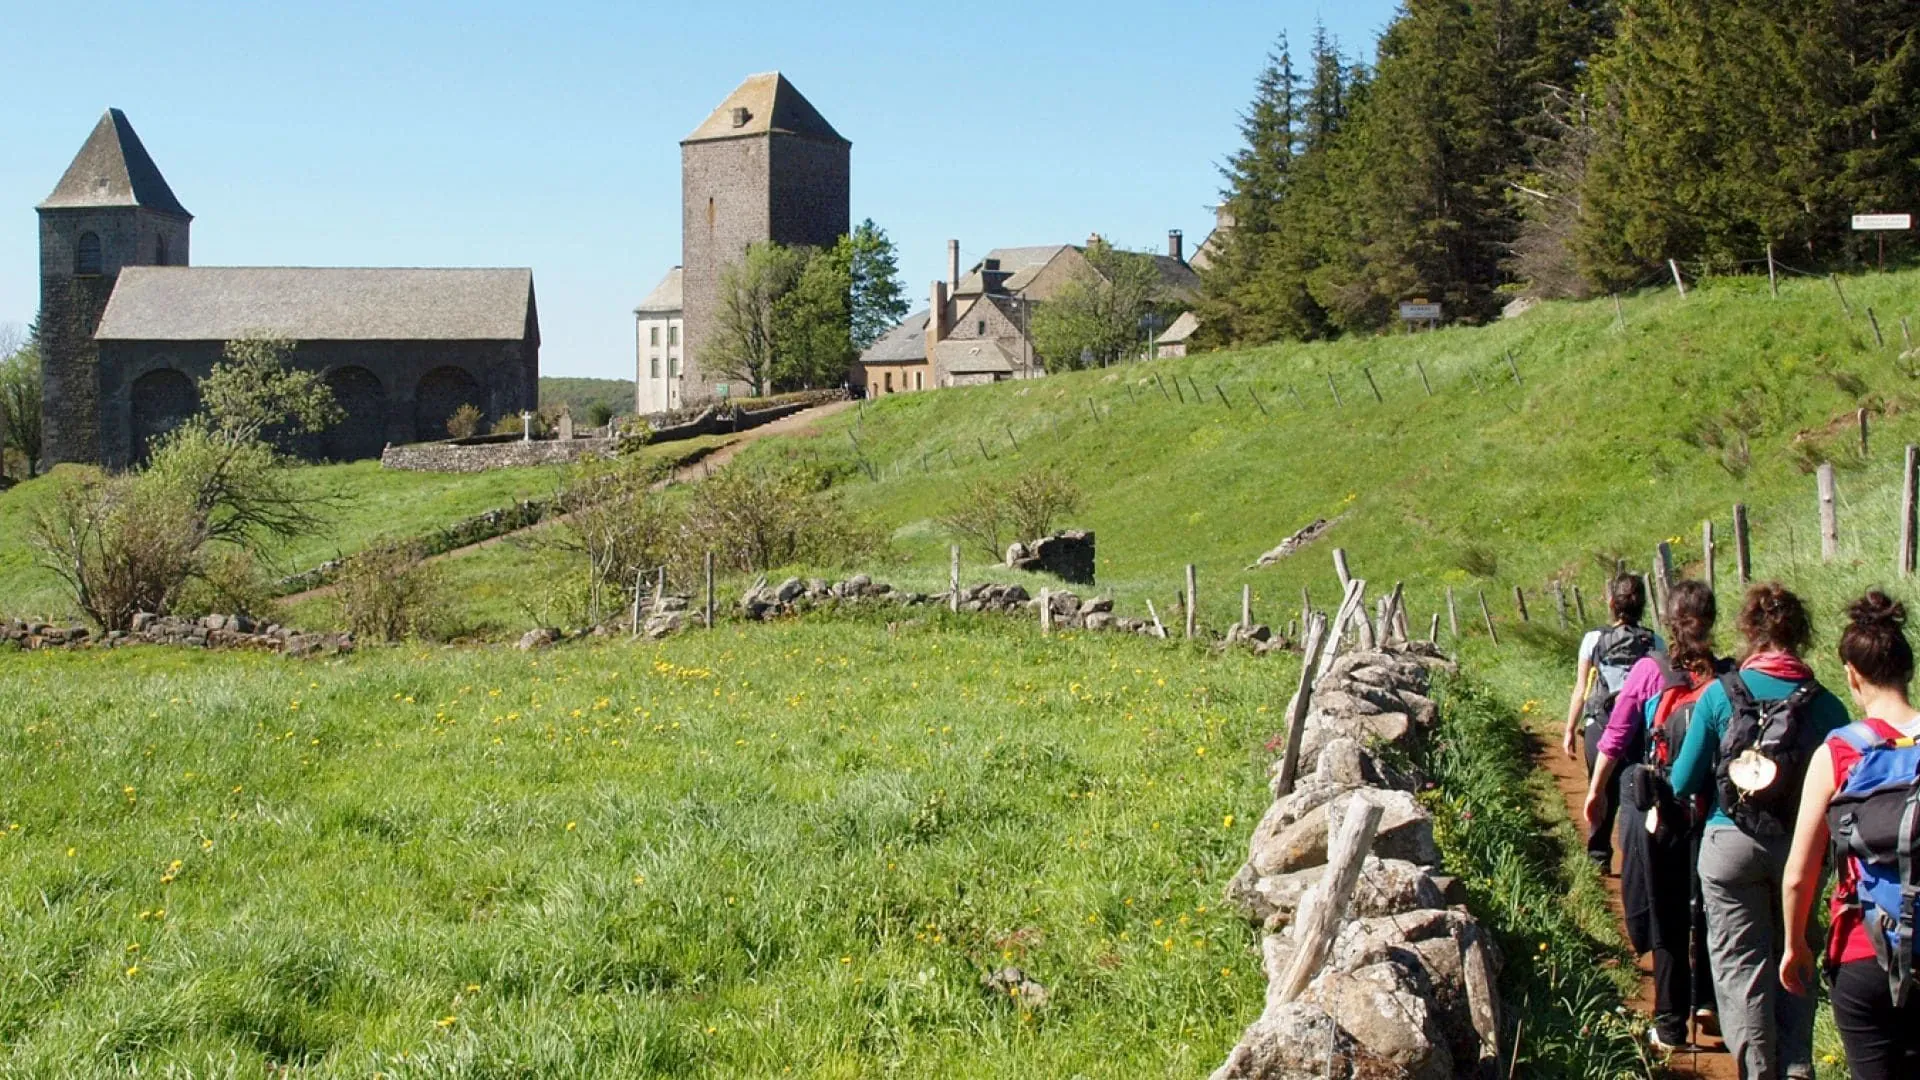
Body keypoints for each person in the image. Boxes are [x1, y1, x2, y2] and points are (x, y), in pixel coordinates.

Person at [1671, 583, 1849, 1080]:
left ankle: (1758, 1072)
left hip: (1728, 846)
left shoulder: (1720, 695)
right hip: (1800, 851)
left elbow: (1683, 780)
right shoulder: (1826, 704)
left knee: (1740, 968)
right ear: (1801, 634)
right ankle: (1798, 1068)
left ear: (1749, 630)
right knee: (1794, 953)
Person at [1781, 592, 1920, 1079]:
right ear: (1909, 669)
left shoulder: (1837, 754)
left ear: (1851, 675)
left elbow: (1799, 875)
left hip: (1863, 953)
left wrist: (1795, 944)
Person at [1583, 579, 1725, 1050]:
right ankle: (1709, 999)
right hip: (1714, 809)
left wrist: (1597, 787)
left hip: (1662, 808)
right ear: (1712, 620)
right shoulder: (1727, 677)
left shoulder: (1650, 670)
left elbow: (1618, 732)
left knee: (1666, 910)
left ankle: (1669, 1023)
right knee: (1707, 905)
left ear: (1668, 620)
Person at [1562, 573, 1662, 872]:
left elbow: (1581, 689)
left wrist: (1569, 728)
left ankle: (1598, 858)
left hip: (1600, 724)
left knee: (1601, 788)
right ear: (1643, 605)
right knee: (1636, 789)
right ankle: (1637, 855)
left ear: (1611, 603)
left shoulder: (1594, 639)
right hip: (1639, 726)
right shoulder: (1654, 641)